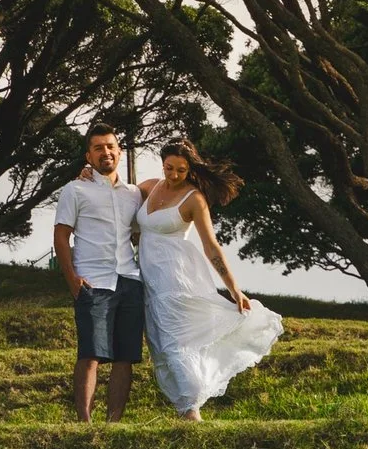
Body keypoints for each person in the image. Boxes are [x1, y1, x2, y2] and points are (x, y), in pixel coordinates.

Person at [132, 139, 283, 420]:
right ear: (162, 163)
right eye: (169, 168)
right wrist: (89, 175)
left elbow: (211, 246)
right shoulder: (149, 187)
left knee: (175, 342)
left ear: (190, 170)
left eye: (181, 170)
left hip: (176, 278)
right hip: (151, 280)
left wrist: (234, 289)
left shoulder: (193, 199)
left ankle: (191, 409)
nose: (174, 175)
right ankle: (186, 408)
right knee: (161, 343)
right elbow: (118, 192)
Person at [52, 125, 145, 422]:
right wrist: (72, 280)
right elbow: (61, 236)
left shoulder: (134, 194)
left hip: (129, 279)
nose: (105, 152)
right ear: (88, 155)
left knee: (125, 357)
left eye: (110, 147)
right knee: (91, 353)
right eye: (98, 148)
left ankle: (114, 423)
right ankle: (85, 423)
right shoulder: (74, 189)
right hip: (93, 281)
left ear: (119, 151)